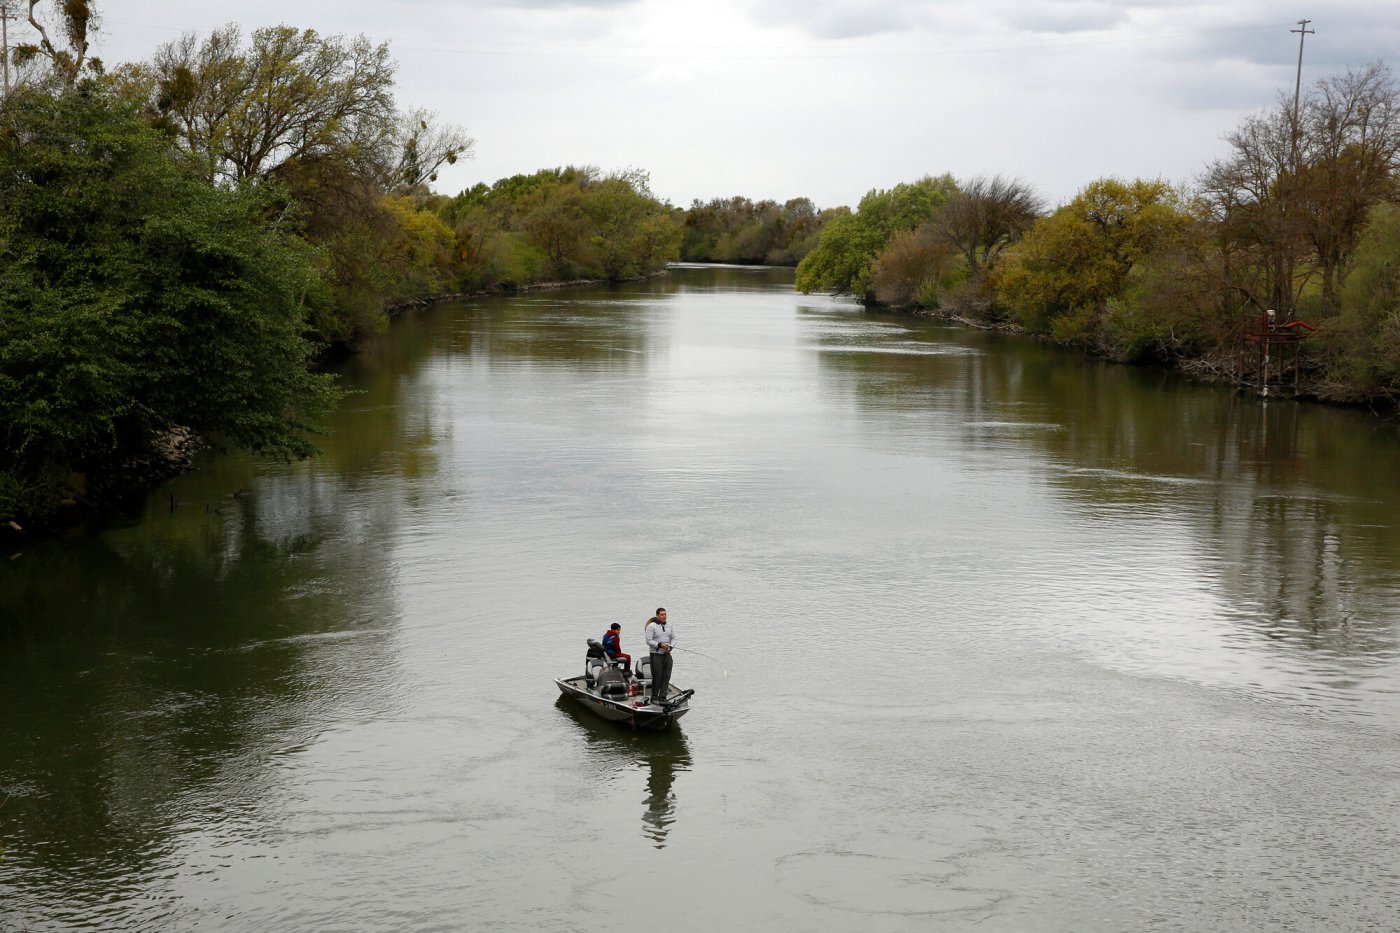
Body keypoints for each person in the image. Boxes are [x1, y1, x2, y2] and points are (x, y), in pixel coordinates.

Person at [644, 608, 675, 703]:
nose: (664, 616)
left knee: (667, 676)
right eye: (662, 614)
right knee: (657, 676)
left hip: (667, 655)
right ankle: (654, 697)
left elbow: (673, 638)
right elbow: (648, 641)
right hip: (656, 655)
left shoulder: (669, 625)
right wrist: (659, 645)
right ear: (657, 615)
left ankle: (663, 696)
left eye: (665, 614)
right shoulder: (651, 626)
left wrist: (670, 646)